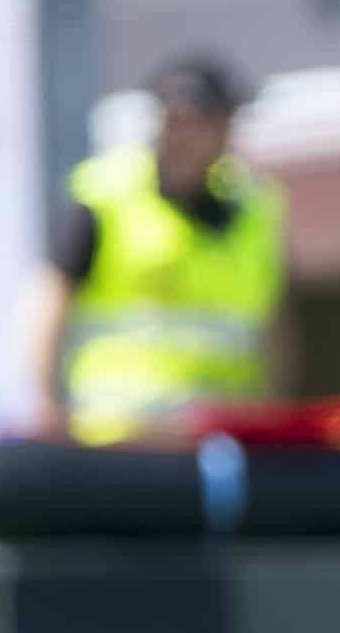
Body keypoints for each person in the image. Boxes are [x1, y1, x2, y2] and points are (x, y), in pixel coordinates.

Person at [23, 53, 287, 442]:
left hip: (221, 442)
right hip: (117, 440)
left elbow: (276, 322)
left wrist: (271, 418)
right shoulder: (107, 196)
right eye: (187, 120)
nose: (203, 136)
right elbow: (49, 299)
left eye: (216, 122)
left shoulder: (252, 209)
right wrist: (47, 405)